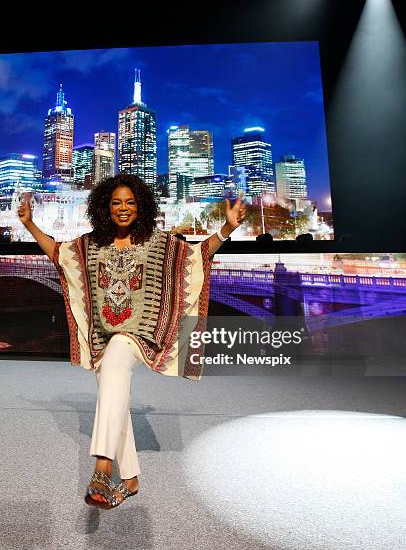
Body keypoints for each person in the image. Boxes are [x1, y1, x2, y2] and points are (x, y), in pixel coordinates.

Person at [18, 174, 245, 509]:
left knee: (115, 366)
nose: (123, 208)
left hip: (139, 335)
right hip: (103, 335)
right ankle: (131, 480)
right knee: (114, 399)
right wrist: (29, 225)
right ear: (105, 209)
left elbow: (196, 257)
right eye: (115, 203)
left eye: (129, 202)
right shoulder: (91, 245)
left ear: (140, 207)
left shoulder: (157, 243)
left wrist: (227, 228)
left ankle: (101, 468)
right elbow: (57, 253)